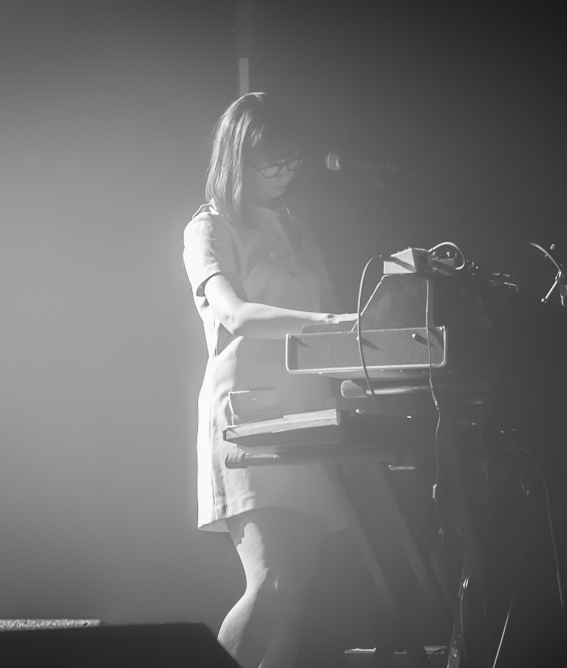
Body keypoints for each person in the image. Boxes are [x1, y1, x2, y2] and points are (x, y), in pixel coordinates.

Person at [182, 92, 356, 668]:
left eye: (292, 161)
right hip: (248, 419)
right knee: (274, 583)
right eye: (270, 163)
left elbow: (333, 316)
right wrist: (332, 323)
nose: (284, 174)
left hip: (308, 415)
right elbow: (234, 313)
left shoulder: (296, 229)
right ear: (238, 156)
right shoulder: (208, 229)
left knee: (294, 600)